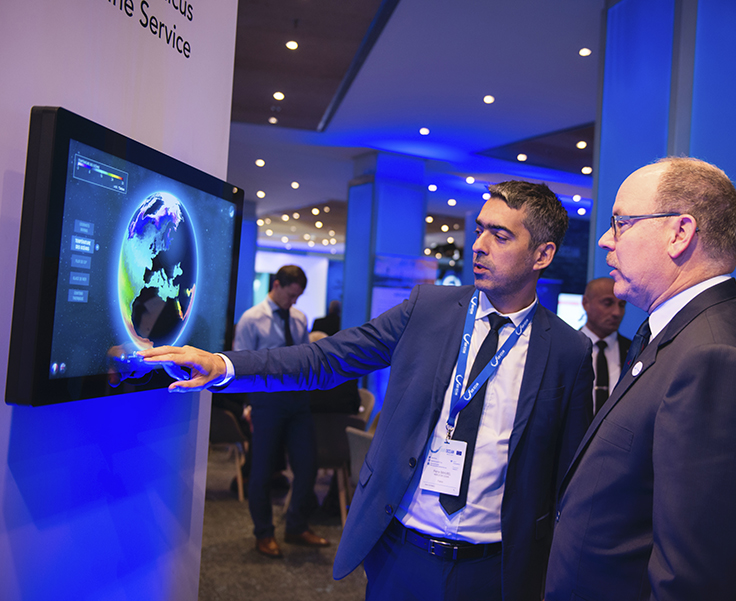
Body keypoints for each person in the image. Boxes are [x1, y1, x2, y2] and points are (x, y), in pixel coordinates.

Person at [140, 181, 593, 601]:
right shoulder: (428, 310)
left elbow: (569, 479)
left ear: (543, 254)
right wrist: (224, 365)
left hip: (495, 571)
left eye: (500, 235)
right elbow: (325, 359)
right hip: (401, 553)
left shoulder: (568, 351)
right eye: (479, 230)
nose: (478, 245)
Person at [545, 157, 736, 600]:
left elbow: (697, 578)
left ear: (680, 233)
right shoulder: (678, 335)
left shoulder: (714, 359)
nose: (605, 240)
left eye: (621, 223)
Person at [233, 265, 329, 558]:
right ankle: (263, 533)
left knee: (308, 465)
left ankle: (296, 526)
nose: (294, 302)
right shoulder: (251, 319)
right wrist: (248, 405)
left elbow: (303, 360)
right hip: (266, 402)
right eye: (290, 295)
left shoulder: (300, 318)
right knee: (262, 471)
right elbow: (241, 364)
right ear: (276, 285)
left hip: (298, 401)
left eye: (298, 297)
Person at [579, 277, 630, 415]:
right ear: (585, 303)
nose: (616, 313)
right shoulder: (565, 348)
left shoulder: (634, 351)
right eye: (608, 303)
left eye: (622, 305)